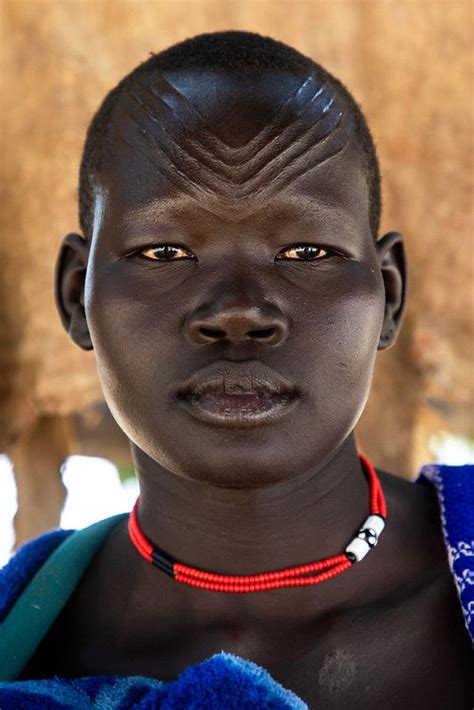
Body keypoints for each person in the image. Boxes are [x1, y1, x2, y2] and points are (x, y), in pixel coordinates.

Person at [0, 30, 472, 709]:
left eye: (307, 250)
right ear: (77, 296)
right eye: (164, 252)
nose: (241, 312)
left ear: (389, 295)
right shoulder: (26, 641)